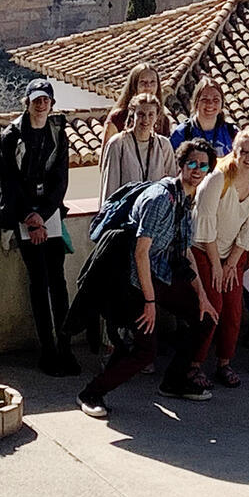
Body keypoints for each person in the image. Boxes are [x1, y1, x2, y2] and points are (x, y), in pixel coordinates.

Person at [77, 139, 222, 419]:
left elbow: (185, 253)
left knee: (205, 318)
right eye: (192, 163)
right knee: (145, 351)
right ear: (181, 164)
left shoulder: (185, 199)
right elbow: (141, 253)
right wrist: (150, 302)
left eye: (203, 165)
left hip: (157, 275)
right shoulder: (160, 199)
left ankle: (174, 382)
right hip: (132, 282)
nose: (197, 169)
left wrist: (202, 297)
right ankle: (91, 393)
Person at [0, 78, 79, 377]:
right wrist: (30, 218)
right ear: (27, 103)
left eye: (46, 100)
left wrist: (44, 214)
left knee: (58, 282)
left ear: (52, 103)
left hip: (48, 212)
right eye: (36, 100)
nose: (41, 105)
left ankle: (65, 347)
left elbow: (61, 178)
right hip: (22, 214)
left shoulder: (58, 132)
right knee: (39, 283)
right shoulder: (11, 135)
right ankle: (48, 350)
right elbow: (9, 182)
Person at [192, 129, 249, 387]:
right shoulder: (217, 178)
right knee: (212, 306)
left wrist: (231, 263)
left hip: (233, 253)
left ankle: (224, 362)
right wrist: (217, 265)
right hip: (205, 250)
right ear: (234, 152)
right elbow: (204, 224)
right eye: (243, 152)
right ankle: (194, 365)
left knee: (234, 310)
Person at [100, 92, 175, 205]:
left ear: (157, 116)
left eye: (151, 114)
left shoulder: (163, 145)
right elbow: (110, 187)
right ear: (132, 114)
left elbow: (172, 183)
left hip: (154, 214)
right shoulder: (118, 144)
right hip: (125, 215)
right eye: (141, 114)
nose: (145, 120)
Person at [102, 62, 172, 145]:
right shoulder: (117, 118)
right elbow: (106, 154)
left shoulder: (163, 120)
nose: (148, 87)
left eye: (153, 82)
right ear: (134, 86)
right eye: (143, 82)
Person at [171, 76, 239, 156]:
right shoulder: (181, 133)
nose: (210, 104)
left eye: (216, 100)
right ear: (196, 103)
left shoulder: (232, 132)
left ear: (222, 104)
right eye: (204, 99)